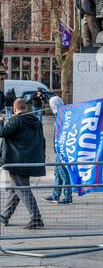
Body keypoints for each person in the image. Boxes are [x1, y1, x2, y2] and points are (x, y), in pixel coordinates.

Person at [0, 98, 45, 229]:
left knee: (22, 190)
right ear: (26, 107)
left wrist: (1, 122)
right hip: (30, 160)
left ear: (14, 109)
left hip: (17, 160)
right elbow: (42, 140)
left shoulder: (16, 120)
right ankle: (4, 216)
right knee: (16, 190)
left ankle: (36, 218)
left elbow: (2, 133)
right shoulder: (37, 121)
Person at [42, 96, 72, 205]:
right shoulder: (59, 116)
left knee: (64, 173)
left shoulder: (64, 117)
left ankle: (68, 196)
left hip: (63, 151)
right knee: (57, 173)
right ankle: (56, 195)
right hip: (58, 150)